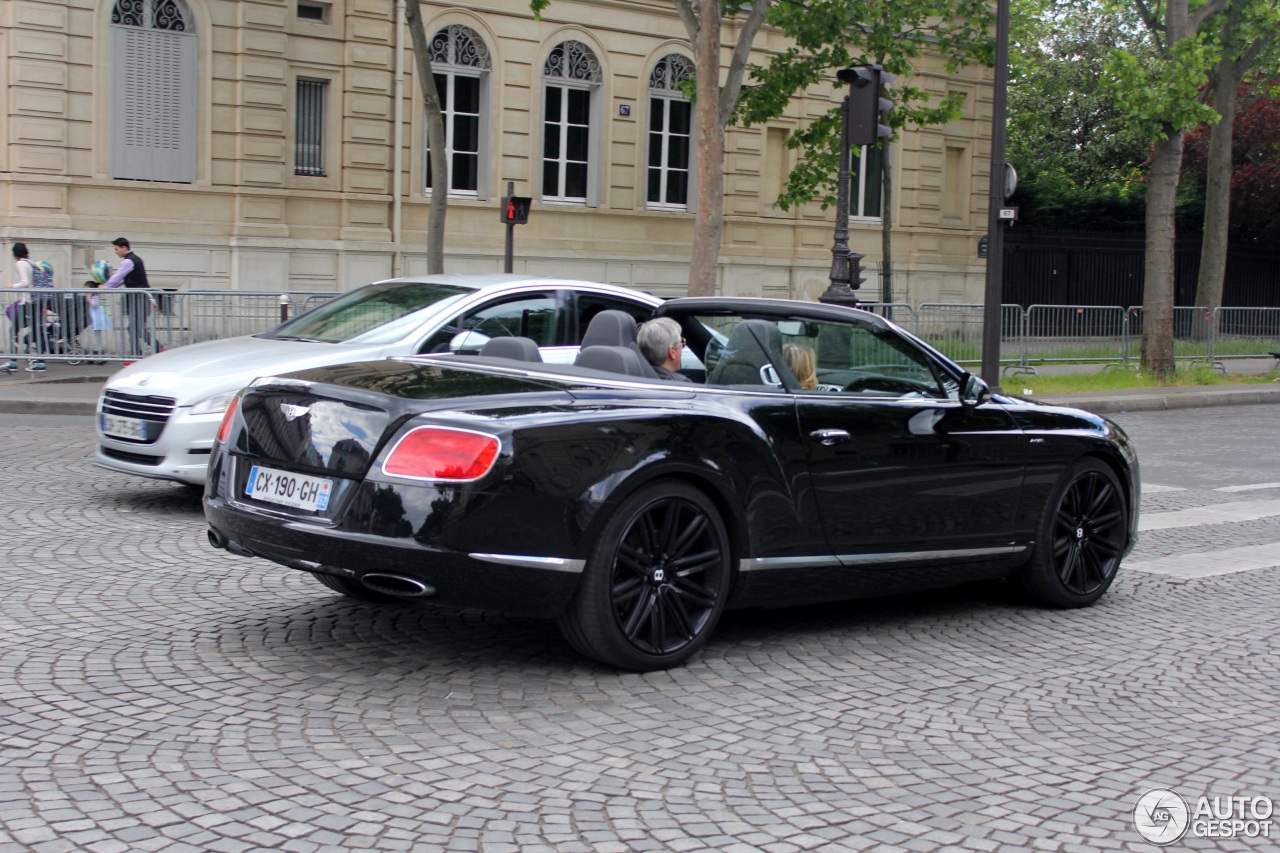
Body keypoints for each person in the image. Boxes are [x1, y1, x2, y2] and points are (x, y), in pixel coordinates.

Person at [102, 237, 164, 357]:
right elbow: (122, 280)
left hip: (139, 299)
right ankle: (146, 351)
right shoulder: (134, 260)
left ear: (124, 248)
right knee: (135, 328)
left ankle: (147, 351)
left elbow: (117, 277)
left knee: (135, 328)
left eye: (116, 249)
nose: (115, 252)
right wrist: (108, 287)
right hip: (139, 298)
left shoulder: (128, 261)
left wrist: (105, 288)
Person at [6, 243, 46, 372]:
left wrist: (13, 286)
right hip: (35, 302)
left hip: (27, 302)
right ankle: (40, 362)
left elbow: (25, 282)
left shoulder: (20, 263)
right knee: (36, 331)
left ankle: (13, 361)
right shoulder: (30, 263)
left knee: (13, 330)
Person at [637, 316, 692, 382]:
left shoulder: (634, 377)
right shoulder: (682, 384)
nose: (682, 346)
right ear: (672, 352)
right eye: (682, 342)